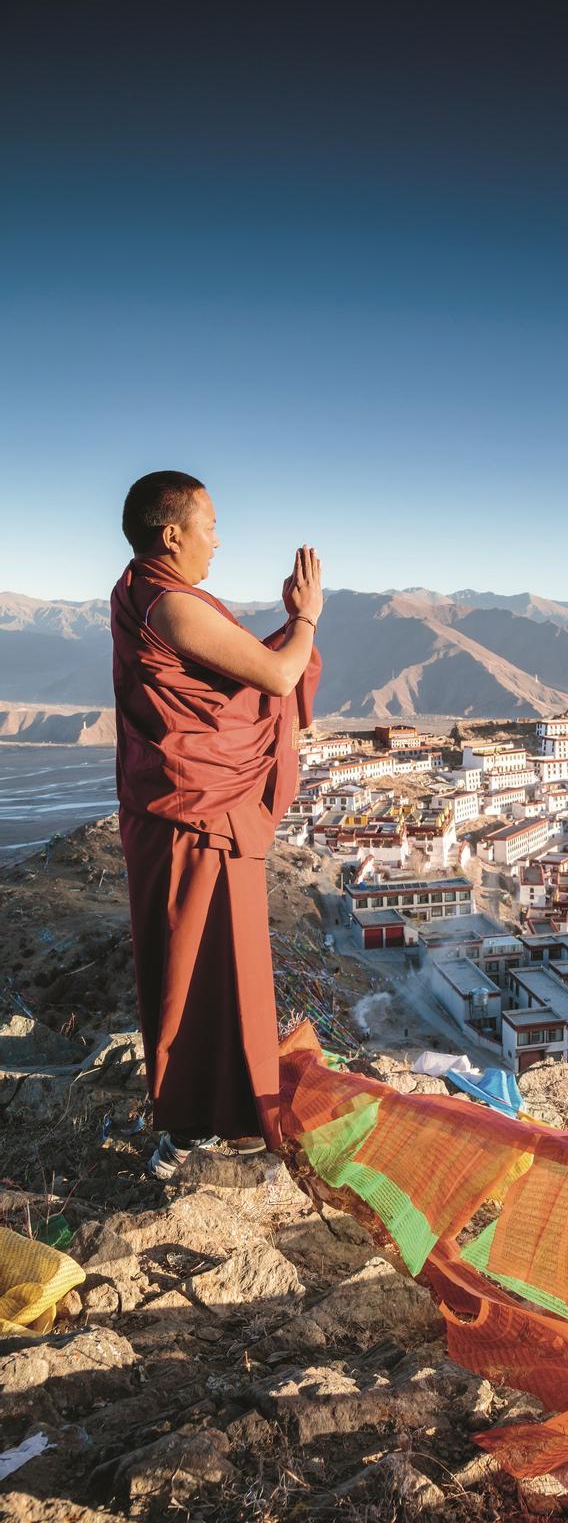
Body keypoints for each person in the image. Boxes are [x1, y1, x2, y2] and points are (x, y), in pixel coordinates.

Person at [110, 471, 323, 1179]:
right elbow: (278, 676)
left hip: (185, 811)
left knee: (201, 968)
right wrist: (306, 618)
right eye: (209, 525)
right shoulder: (170, 605)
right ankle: (200, 1124)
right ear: (171, 534)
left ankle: (208, 1117)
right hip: (197, 817)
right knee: (194, 970)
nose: (218, 539)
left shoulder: (142, 592)